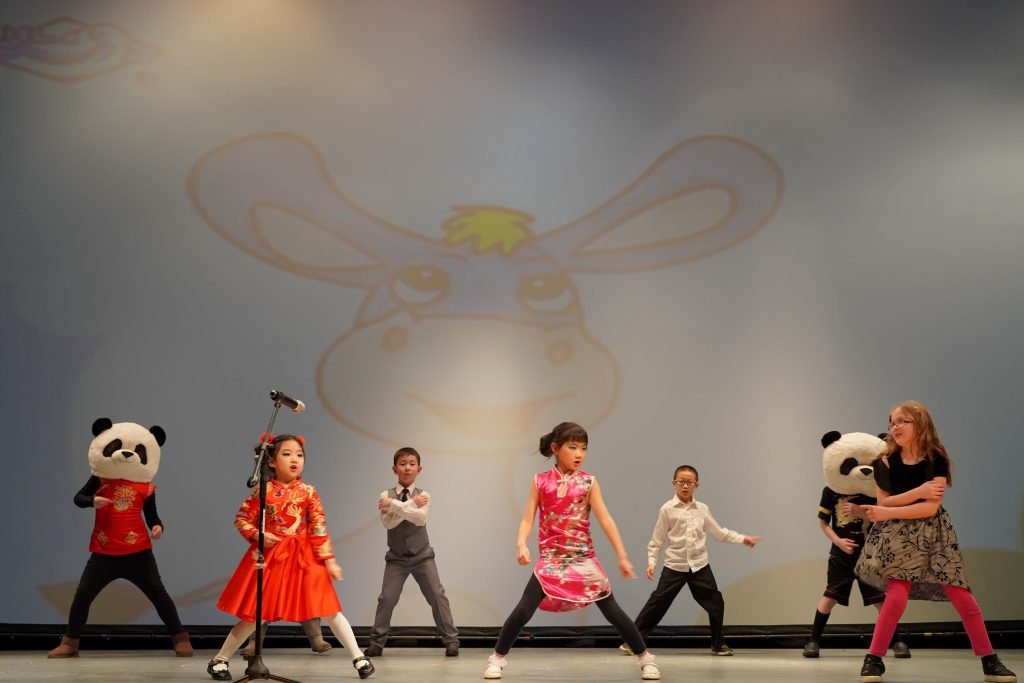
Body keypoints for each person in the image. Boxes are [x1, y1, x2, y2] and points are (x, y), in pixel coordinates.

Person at [854, 401, 1016, 683]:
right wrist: (919, 491)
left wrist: (890, 511)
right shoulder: (884, 462)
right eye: (892, 422)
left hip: (935, 533)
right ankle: (874, 659)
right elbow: (884, 502)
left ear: (920, 424)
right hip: (897, 536)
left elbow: (929, 508)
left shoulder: (935, 458)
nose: (895, 427)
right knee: (896, 597)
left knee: (962, 596)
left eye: (902, 421)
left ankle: (990, 661)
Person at [483, 422, 660, 680]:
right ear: (556, 448)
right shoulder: (540, 481)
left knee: (613, 611)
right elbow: (527, 519)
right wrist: (521, 543)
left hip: (583, 558)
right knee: (523, 610)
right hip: (551, 560)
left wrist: (622, 556)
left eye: (584, 448)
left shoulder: (588, 482)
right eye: (573, 447)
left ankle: (646, 659)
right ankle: (497, 659)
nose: (579, 454)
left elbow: (606, 519)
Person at [207, 434, 374, 680]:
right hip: (273, 556)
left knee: (329, 609)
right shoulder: (262, 490)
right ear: (271, 461)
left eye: (299, 455)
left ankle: (359, 657)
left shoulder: (308, 492)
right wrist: (258, 535)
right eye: (286, 454)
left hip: (305, 557)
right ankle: (220, 660)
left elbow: (318, 527)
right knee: (258, 614)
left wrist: (329, 560)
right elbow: (241, 519)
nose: (295, 459)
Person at [620, 465, 759, 657]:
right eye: (681, 482)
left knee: (716, 604)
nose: (685, 486)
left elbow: (719, 533)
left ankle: (718, 645)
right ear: (674, 483)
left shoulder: (702, 509)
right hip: (675, 564)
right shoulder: (667, 509)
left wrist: (743, 539)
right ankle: (633, 642)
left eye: (689, 482)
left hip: (699, 565)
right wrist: (652, 561)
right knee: (657, 603)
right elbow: (657, 539)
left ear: (696, 485)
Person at [366, 447, 459, 657]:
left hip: (423, 556)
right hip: (396, 558)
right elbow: (389, 524)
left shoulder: (424, 495)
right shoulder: (385, 495)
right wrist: (410, 505)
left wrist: (394, 505)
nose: (407, 468)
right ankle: (377, 642)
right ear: (394, 469)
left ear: (419, 469)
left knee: (437, 596)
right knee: (387, 598)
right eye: (402, 464)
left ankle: (451, 640)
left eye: (411, 464)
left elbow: (420, 519)